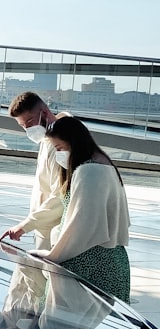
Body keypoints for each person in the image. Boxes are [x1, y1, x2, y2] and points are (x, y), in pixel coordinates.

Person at [31, 115, 131, 300]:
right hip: (110, 263)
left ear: (73, 142)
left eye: (59, 148)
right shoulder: (103, 163)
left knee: (63, 324)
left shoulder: (89, 171)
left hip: (91, 266)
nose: (58, 153)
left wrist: (52, 256)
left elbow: (81, 225)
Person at [0, 91, 66, 249]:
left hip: (55, 231)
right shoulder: (46, 140)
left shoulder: (61, 145)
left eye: (29, 122)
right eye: (23, 126)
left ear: (44, 112)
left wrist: (26, 225)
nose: (28, 129)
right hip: (43, 226)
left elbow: (60, 196)